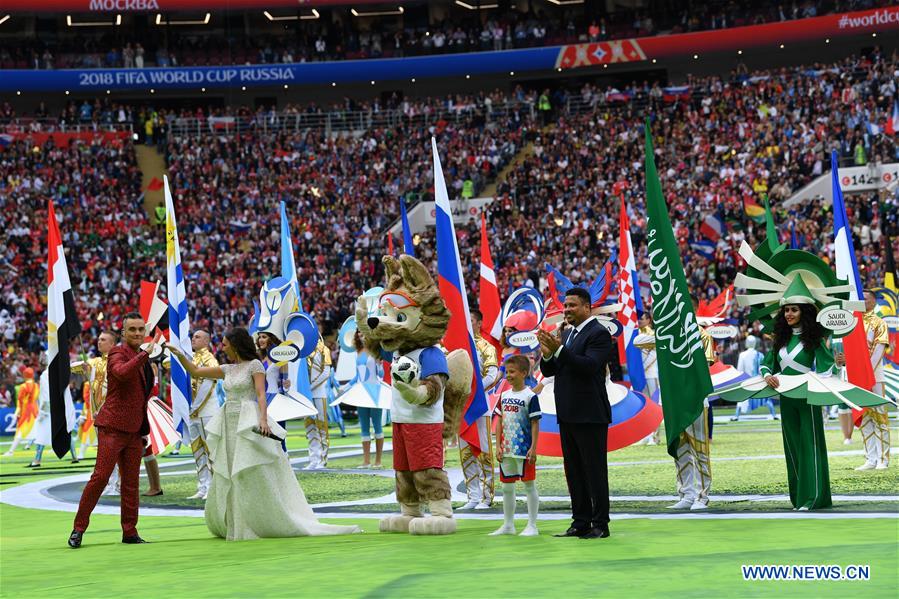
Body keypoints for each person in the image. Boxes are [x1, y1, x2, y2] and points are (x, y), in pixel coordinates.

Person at [168, 327, 361, 540]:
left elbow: (261, 393)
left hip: (248, 420)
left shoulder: (255, 365)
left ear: (235, 345)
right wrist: (179, 355)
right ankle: (234, 519)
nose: (223, 348)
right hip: (229, 422)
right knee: (231, 468)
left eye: (225, 344)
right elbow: (195, 371)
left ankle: (258, 517)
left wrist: (262, 419)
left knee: (250, 469)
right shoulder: (227, 369)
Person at [68, 313, 162, 549]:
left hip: (133, 429)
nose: (138, 333)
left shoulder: (142, 357)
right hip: (112, 427)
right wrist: (145, 354)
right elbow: (121, 373)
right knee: (100, 477)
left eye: (141, 329)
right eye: (132, 329)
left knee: (130, 482)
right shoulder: (118, 353)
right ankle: (78, 528)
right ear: (123, 333)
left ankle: (129, 531)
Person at [536, 287, 612, 539]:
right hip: (567, 412)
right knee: (574, 471)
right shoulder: (567, 335)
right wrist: (548, 354)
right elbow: (550, 372)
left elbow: (590, 366)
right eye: (565, 305)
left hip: (590, 413)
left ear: (587, 307)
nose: (567, 309)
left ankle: (600, 524)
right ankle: (580, 521)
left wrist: (559, 350)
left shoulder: (598, 333)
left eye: (572, 305)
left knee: (594, 470)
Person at [836, 290, 891, 470]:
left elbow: (879, 350)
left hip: (875, 377)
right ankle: (871, 458)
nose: (862, 301)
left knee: (879, 417)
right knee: (865, 417)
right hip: (856, 378)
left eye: (866, 299)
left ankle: (883, 459)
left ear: (874, 302)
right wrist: (844, 362)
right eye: (860, 299)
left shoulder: (879, 323)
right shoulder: (851, 324)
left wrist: (865, 372)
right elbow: (850, 352)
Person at [489, 354, 541, 537]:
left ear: (524, 373)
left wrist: (533, 448)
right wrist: (498, 446)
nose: (508, 375)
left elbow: (535, 423)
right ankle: (508, 525)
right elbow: (500, 421)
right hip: (507, 449)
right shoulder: (504, 395)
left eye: (512, 372)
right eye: (506, 372)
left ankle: (532, 525)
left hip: (524, 450)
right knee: (507, 487)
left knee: (529, 485)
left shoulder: (530, 396)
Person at [460, 308, 500, 510]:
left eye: (472, 320)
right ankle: (472, 496)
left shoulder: (487, 347)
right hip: (462, 406)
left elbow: (493, 375)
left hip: (479, 405)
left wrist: (474, 390)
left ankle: (486, 496)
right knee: (465, 450)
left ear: (479, 323)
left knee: (483, 450)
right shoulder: (457, 347)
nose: (468, 323)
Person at [187, 329, 220, 499]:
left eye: (198, 337)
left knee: (211, 449)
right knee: (197, 450)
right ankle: (203, 486)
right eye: (193, 336)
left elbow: (207, 387)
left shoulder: (210, 360)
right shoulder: (191, 358)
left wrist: (195, 406)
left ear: (207, 341)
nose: (194, 338)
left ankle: (213, 487)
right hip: (193, 411)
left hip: (206, 410)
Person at [353, 332, 385, 469]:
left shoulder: (376, 350)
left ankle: (378, 460)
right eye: (358, 332)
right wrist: (346, 387)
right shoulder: (358, 351)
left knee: (377, 425)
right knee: (364, 427)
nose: (361, 335)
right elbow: (357, 376)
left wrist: (379, 364)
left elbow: (381, 374)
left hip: (375, 392)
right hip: (361, 393)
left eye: (363, 332)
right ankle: (366, 461)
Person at [732, 335, 777, 421]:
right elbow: (763, 369)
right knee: (766, 400)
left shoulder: (743, 355)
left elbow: (740, 370)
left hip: (747, 382)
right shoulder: (760, 355)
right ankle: (773, 414)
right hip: (758, 381)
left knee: (742, 399)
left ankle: (736, 416)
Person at [305, 337, 332, 469]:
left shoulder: (323, 349)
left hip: (319, 393)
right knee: (310, 426)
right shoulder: (303, 350)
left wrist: (311, 386)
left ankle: (323, 459)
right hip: (306, 395)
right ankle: (313, 459)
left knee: (321, 426)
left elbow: (326, 372)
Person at [3, 367, 39, 456]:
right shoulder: (37, 386)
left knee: (20, 431)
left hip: (26, 412)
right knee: (38, 431)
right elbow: (37, 400)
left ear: (24, 376)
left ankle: (11, 451)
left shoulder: (23, 386)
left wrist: (16, 413)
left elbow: (20, 402)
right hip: (35, 410)